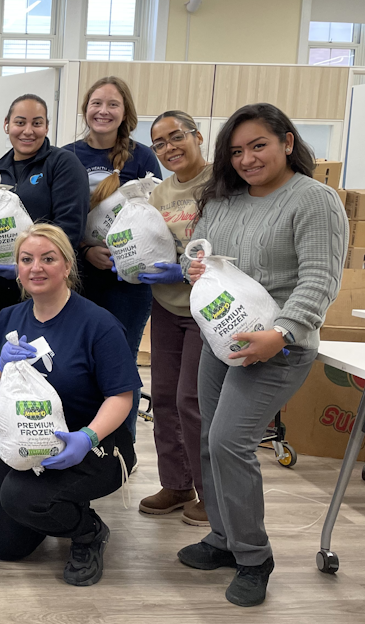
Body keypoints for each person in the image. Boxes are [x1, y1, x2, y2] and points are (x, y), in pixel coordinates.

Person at [181, 103, 347, 607]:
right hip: (223, 338)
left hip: (280, 346)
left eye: (259, 146)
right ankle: (224, 538)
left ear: (287, 143)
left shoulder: (314, 200)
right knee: (211, 436)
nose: (248, 159)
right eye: (236, 151)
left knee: (232, 440)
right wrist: (196, 270)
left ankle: (254, 556)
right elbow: (199, 253)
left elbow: (320, 278)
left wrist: (283, 332)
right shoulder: (223, 200)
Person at [0, 223, 140, 587]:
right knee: (3, 545)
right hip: (30, 442)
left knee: (20, 496)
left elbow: (121, 397)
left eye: (48, 259)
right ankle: (58, 505)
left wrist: (87, 437)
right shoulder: (9, 319)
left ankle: (88, 532)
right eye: (26, 259)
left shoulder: (98, 324)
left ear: (66, 266)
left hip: (95, 446)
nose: (36, 267)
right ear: (17, 268)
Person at [63, 76, 161, 442]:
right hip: (78, 277)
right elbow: (61, 219)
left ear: (126, 113)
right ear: (86, 108)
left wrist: (123, 254)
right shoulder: (67, 155)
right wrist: (86, 251)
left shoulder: (143, 157)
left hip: (127, 283)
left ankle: (122, 445)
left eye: (113, 105)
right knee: (77, 360)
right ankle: (80, 435)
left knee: (121, 362)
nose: (103, 111)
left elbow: (153, 219)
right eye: (96, 103)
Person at [137, 111, 211, 526]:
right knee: (163, 398)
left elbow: (228, 241)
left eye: (176, 137)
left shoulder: (221, 184)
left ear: (197, 136)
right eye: (159, 143)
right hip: (166, 305)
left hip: (208, 310)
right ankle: (177, 483)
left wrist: (183, 267)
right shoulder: (160, 194)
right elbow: (149, 241)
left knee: (193, 402)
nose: (169, 148)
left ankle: (209, 493)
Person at [0, 94, 89, 334]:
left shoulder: (62, 164)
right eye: (20, 122)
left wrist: (30, 266)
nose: (28, 131)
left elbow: (69, 228)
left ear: (47, 127)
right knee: (0, 361)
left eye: (37, 123)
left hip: (41, 285)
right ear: (7, 125)